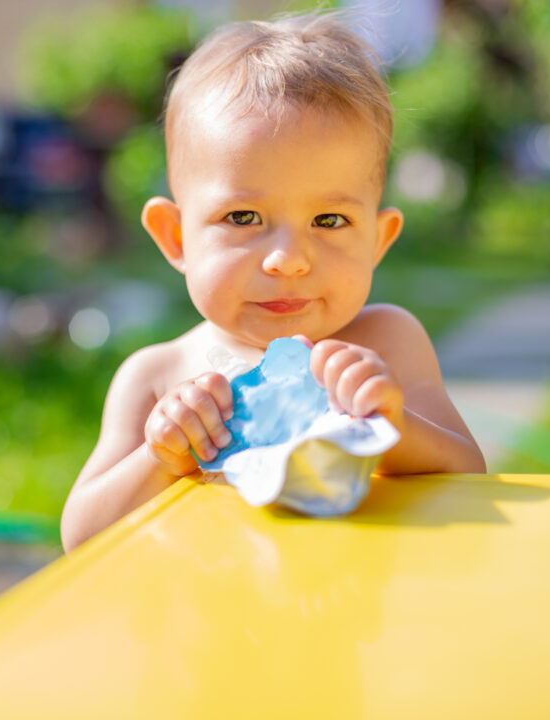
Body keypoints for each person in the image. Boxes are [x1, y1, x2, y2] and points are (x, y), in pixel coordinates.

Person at [60, 11, 485, 552]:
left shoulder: (386, 346)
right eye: (243, 218)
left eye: (329, 221)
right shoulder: (157, 379)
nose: (288, 260)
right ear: (175, 237)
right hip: (211, 626)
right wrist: (161, 458)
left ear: (378, 241)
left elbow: (468, 472)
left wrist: (390, 426)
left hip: (348, 616)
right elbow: (82, 537)